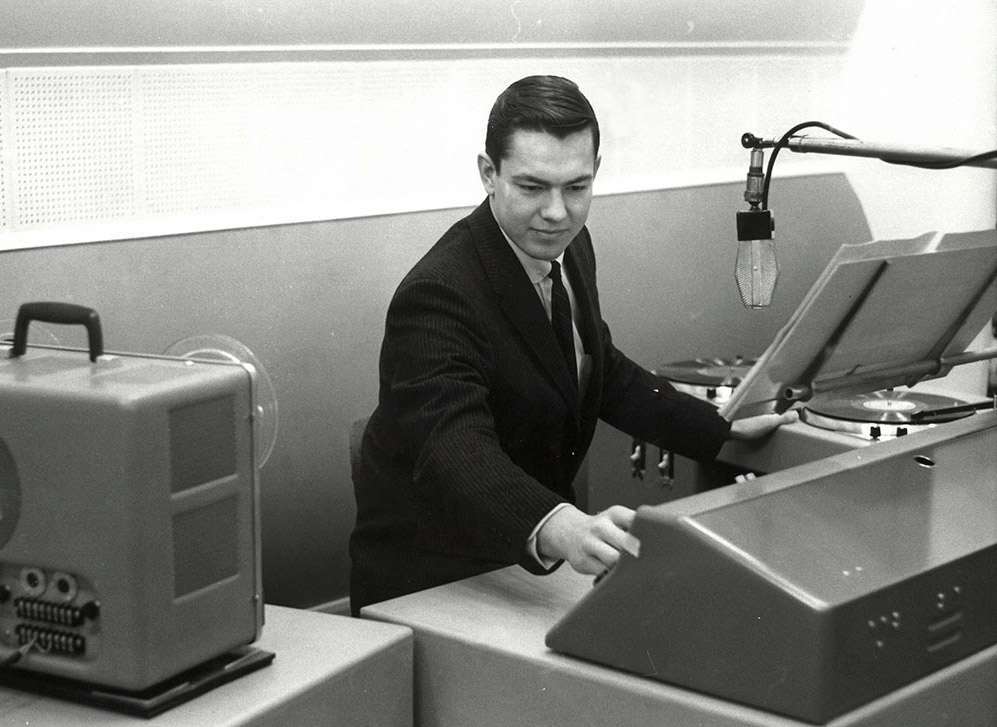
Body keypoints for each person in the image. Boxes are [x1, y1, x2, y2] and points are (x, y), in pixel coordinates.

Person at [348, 75, 795, 615]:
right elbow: (453, 448)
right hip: (432, 581)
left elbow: (598, 367)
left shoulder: (570, 243)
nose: (557, 212)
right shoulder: (438, 294)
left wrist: (720, 434)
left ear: (595, 173)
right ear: (489, 174)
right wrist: (564, 527)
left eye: (576, 187)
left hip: (526, 565)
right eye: (532, 187)